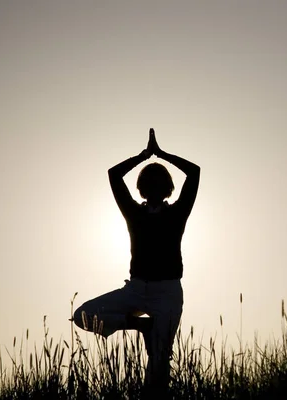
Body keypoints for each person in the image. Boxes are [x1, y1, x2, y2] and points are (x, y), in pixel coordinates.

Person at [72, 128, 200, 397]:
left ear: (165, 187)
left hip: (167, 293)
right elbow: (114, 174)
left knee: (158, 362)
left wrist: (161, 154)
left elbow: (194, 172)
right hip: (135, 290)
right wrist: (144, 156)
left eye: (158, 181)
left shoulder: (177, 213)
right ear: (142, 188)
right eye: (149, 181)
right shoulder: (133, 212)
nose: (153, 186)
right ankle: (141, 325)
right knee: (81, 315)